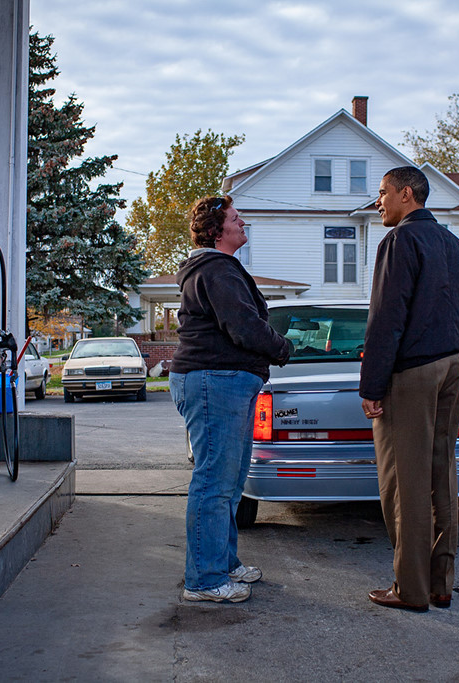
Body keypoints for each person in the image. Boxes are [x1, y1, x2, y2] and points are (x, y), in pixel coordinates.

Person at [359, 166, 459, 612]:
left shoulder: (400, 241)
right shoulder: (456, 246)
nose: (379, 202)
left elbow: (386, 318)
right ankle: (440, 583)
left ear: (407, 194)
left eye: (384, 193)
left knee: (404, 482)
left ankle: (410, 589)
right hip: (451, 365)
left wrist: (372, 385)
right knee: (442, 475)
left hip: (411, 373)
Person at [168, 195, 291, 603]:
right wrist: (283, 347)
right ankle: (203, 581)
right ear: (216, 229)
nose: (244, 224)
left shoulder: (218, 269)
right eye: (236, 219)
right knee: (214, 484)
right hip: (213, 381)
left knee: (230, 483)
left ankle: (223, 563)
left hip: (221, 381)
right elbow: (245, 327)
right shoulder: (216, 269)